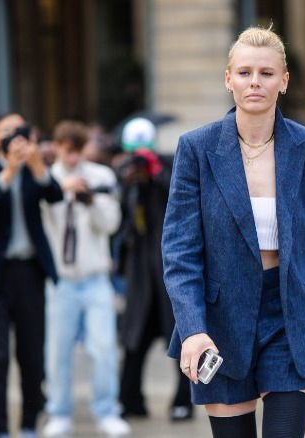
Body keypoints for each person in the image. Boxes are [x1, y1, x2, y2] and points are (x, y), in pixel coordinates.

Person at [160, 25, 305, 438]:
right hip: (221, 318)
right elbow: (180, 252)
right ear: (228, 79)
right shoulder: (196, 148)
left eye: (266, 73)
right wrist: (192, 329)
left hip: (289, 313)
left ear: (284, 81)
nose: (255, 82)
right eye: (245, 72)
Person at [0, 112, 63, 438]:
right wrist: (10, 170)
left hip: (29, 271)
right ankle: (1, 430)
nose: (14, 137)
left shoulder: (35, 166)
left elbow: (55, 196)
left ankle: (29, 423)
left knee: (32, 355)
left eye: (20, 130)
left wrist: (37, 166)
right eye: (7, 131)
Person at [39, 120, 131, 436]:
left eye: (79, 151)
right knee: (57, 351)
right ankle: (59, 411)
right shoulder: (46, 178)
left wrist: (90, 201)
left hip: (95, 277)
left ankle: (106, 410)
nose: (74, 157)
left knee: (104, 348)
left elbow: (111, 224)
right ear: (57, 148)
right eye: (68, 151)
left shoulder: (101, 176)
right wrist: (60, 190)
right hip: (60, 279)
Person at [115, 117, 194, 422]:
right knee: (134, 340)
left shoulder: (169, 163)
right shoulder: (127, 171)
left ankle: (183, 401)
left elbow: (180, 196)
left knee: (181, 338)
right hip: (140, 271)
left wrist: (155, 171)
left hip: (170, 268)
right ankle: (130, 400)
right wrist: (130, 180)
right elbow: (124, 218)